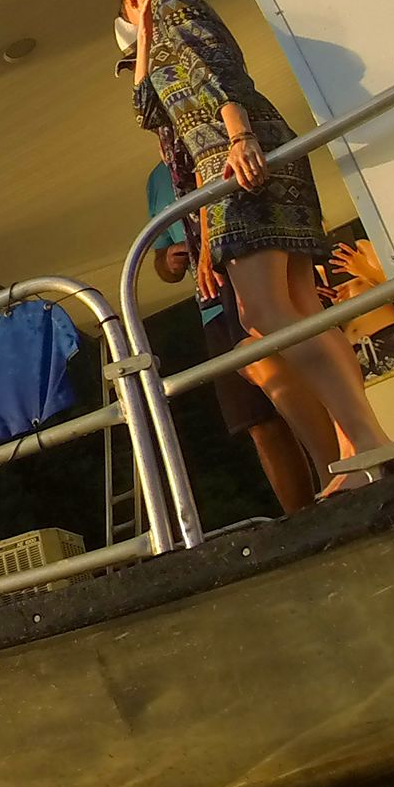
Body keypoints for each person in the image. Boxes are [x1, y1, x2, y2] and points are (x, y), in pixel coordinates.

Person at [119, 0, 391, 492]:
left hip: (238, 155)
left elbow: (218, 62)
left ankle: (366, 442)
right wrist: (143, 34)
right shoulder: (163, 16)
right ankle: (359, 444)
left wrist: (239, 133)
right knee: (298, 305)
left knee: (263, 310)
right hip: (239, 156)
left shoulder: (174, 1)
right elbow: (146, 108)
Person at [143, 141, 315, 517]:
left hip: (259, 286)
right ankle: (302, 518)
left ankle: (345, 476)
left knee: (306, 390)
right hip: (213, 309)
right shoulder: (157, 181)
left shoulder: (218, 142)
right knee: (257, 420)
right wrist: (171, 262)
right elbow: (160, 260)